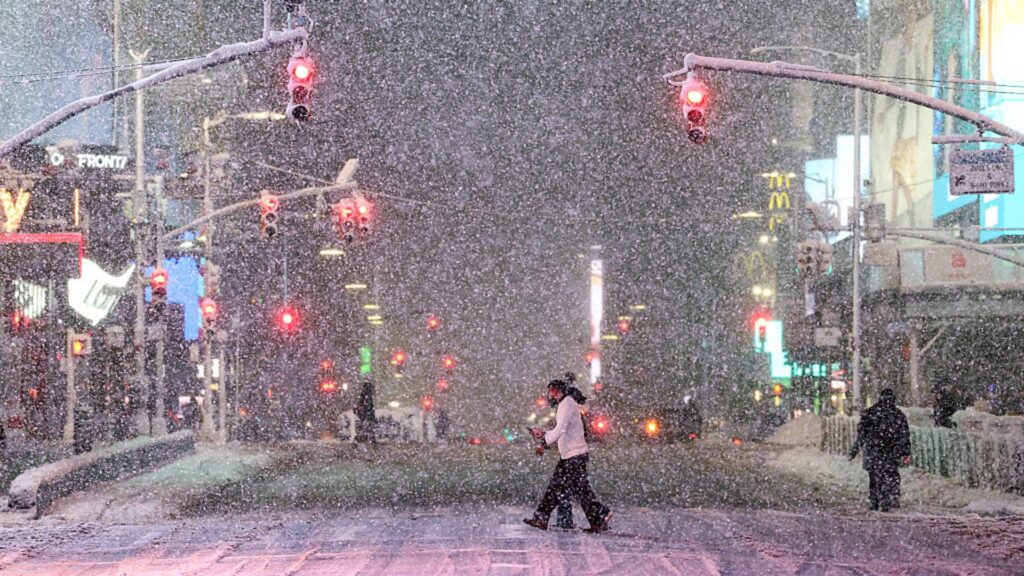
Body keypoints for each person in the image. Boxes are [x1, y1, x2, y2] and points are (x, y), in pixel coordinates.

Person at [524, 379, 612, 532]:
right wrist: (543, 434)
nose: (550, 395)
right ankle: (598, 519)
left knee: (570, 489)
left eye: (552, 392)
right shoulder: (566, 403)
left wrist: (543, 443)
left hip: (574, 456)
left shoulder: (566, 404)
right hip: (571, 455)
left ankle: (600, 515)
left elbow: (560, 429)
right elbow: (561, 430)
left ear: (559, 391)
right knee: (568, 488)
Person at [849, 388, 911, 512]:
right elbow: (904, 435)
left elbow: (862, 434)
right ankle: (889, 499)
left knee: (874, 476)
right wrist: (905, 451)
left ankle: (876, 500)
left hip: (874, 451)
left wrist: (855, 449)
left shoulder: (870, 413)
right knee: (891, 475)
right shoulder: (898, 415)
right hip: (889, 451)